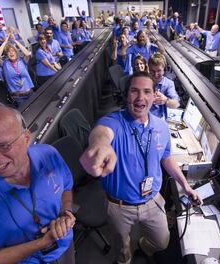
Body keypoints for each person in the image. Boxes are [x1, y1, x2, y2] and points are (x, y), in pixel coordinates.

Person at [80, 71, 200, 264]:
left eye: (146, 91)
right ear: (127, 95)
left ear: (154, 95)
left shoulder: (161, 127)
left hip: (152, 200)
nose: (140, 97)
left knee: (162, 242)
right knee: (122, 249)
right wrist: (99, 145)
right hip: (119, 206)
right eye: (134, 91)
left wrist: (185, 185)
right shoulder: (114, 122)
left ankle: (143, 246)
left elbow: (166, 157)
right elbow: (102, 134)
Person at [0, 102, 75, 263]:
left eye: (3, 145)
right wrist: (42, 242)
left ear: (26, 138)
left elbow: (66, 186)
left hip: (66, 247)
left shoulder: (49, 154)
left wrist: (65, 212)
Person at [0, 35, 34, 106]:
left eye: (13, 51)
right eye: (8, 52)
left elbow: (27, 53)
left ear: (16, 52)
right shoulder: (5, 63)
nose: (11, 53)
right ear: (6, 54)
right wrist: (5, 42)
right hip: (18, 97)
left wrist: (15, 41)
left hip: (30, 93)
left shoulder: (22, 60)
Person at [148, 53, 180, 119]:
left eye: (159, 71)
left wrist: (166, 100)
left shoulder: (168, 84)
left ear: (164, 69)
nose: (156, 74)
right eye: (152, 71)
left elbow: (176, 104)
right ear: (149, 69)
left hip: (158, 121)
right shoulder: (144, 80)